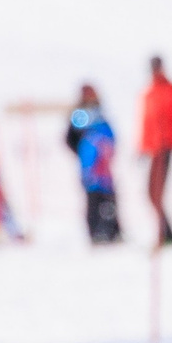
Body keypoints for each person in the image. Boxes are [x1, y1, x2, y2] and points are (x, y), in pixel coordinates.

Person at [64, 85, 122, 244]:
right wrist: (84, 153)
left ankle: (113, 232)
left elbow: (110, 135)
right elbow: (70, 138)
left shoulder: (100, 113)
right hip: (90, 167)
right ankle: (96, 233)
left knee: (109, 199)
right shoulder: (79, 115)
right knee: (93, 199)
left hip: (104, 165)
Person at [139, 56, 172, 244]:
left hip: (164, 149)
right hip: (153, 150)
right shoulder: (149, 93)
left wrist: (169, 143)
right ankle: (166, 232)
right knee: (151, 193)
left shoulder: (171, 91)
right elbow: (145, 123)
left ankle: (165, 234)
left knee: (156, 192)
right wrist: (143, 147)